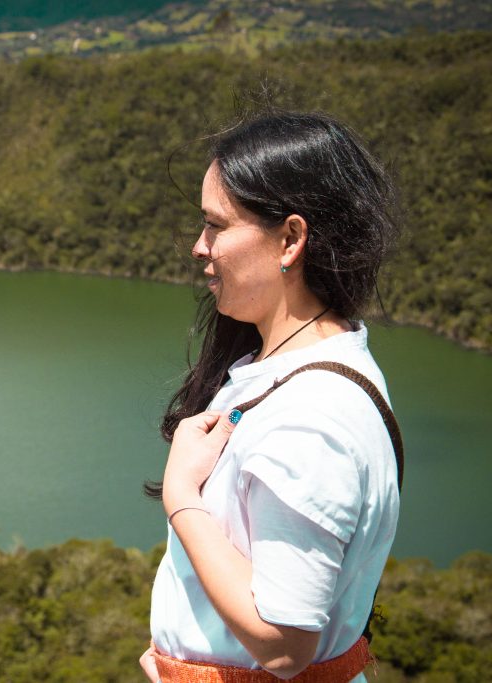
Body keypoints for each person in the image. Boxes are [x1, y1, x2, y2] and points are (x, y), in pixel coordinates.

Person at [140, 110, 402, 682]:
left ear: (290, 239)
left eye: (216, 225)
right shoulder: (307, 366)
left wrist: (181, 494)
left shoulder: (312, 422)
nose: (197, 246)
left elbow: (283, 645)